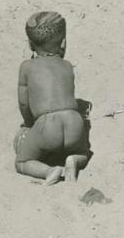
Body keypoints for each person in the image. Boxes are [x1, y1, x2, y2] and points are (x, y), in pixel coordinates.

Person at [14, 11, 89, 185]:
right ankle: (74, 160)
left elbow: (24, 102)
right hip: (74, 122)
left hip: (47, 125)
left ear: (30, 45)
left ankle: (50, 170)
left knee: (22, 161)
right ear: (63, 43)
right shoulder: (67, 65)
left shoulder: (26, 67)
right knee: (84, 152)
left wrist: (29, 124)